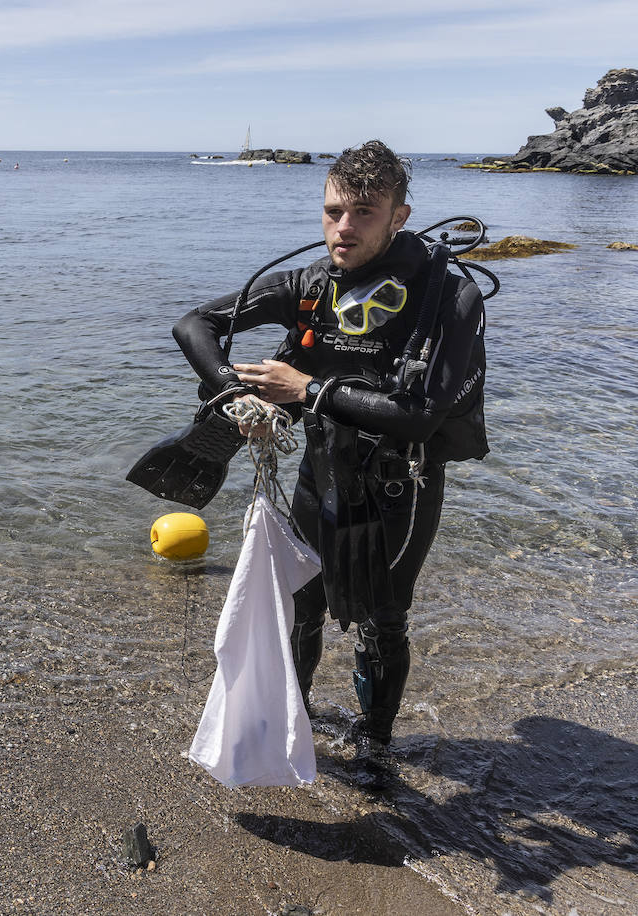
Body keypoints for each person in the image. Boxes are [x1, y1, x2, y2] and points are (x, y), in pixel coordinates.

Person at [171, 140, 488, 776]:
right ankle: (295, 718)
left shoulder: (448, 299)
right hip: (322, 473)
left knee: (381, 621)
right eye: (333, 210)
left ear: (400, 214)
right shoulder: (311, 284)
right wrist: (238, 394)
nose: (342, 228)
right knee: (302, 602)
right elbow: (193, 326)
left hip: (402, 485)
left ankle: (373, 749)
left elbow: (423, 414)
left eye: (364, 212)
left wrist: (306, 390)